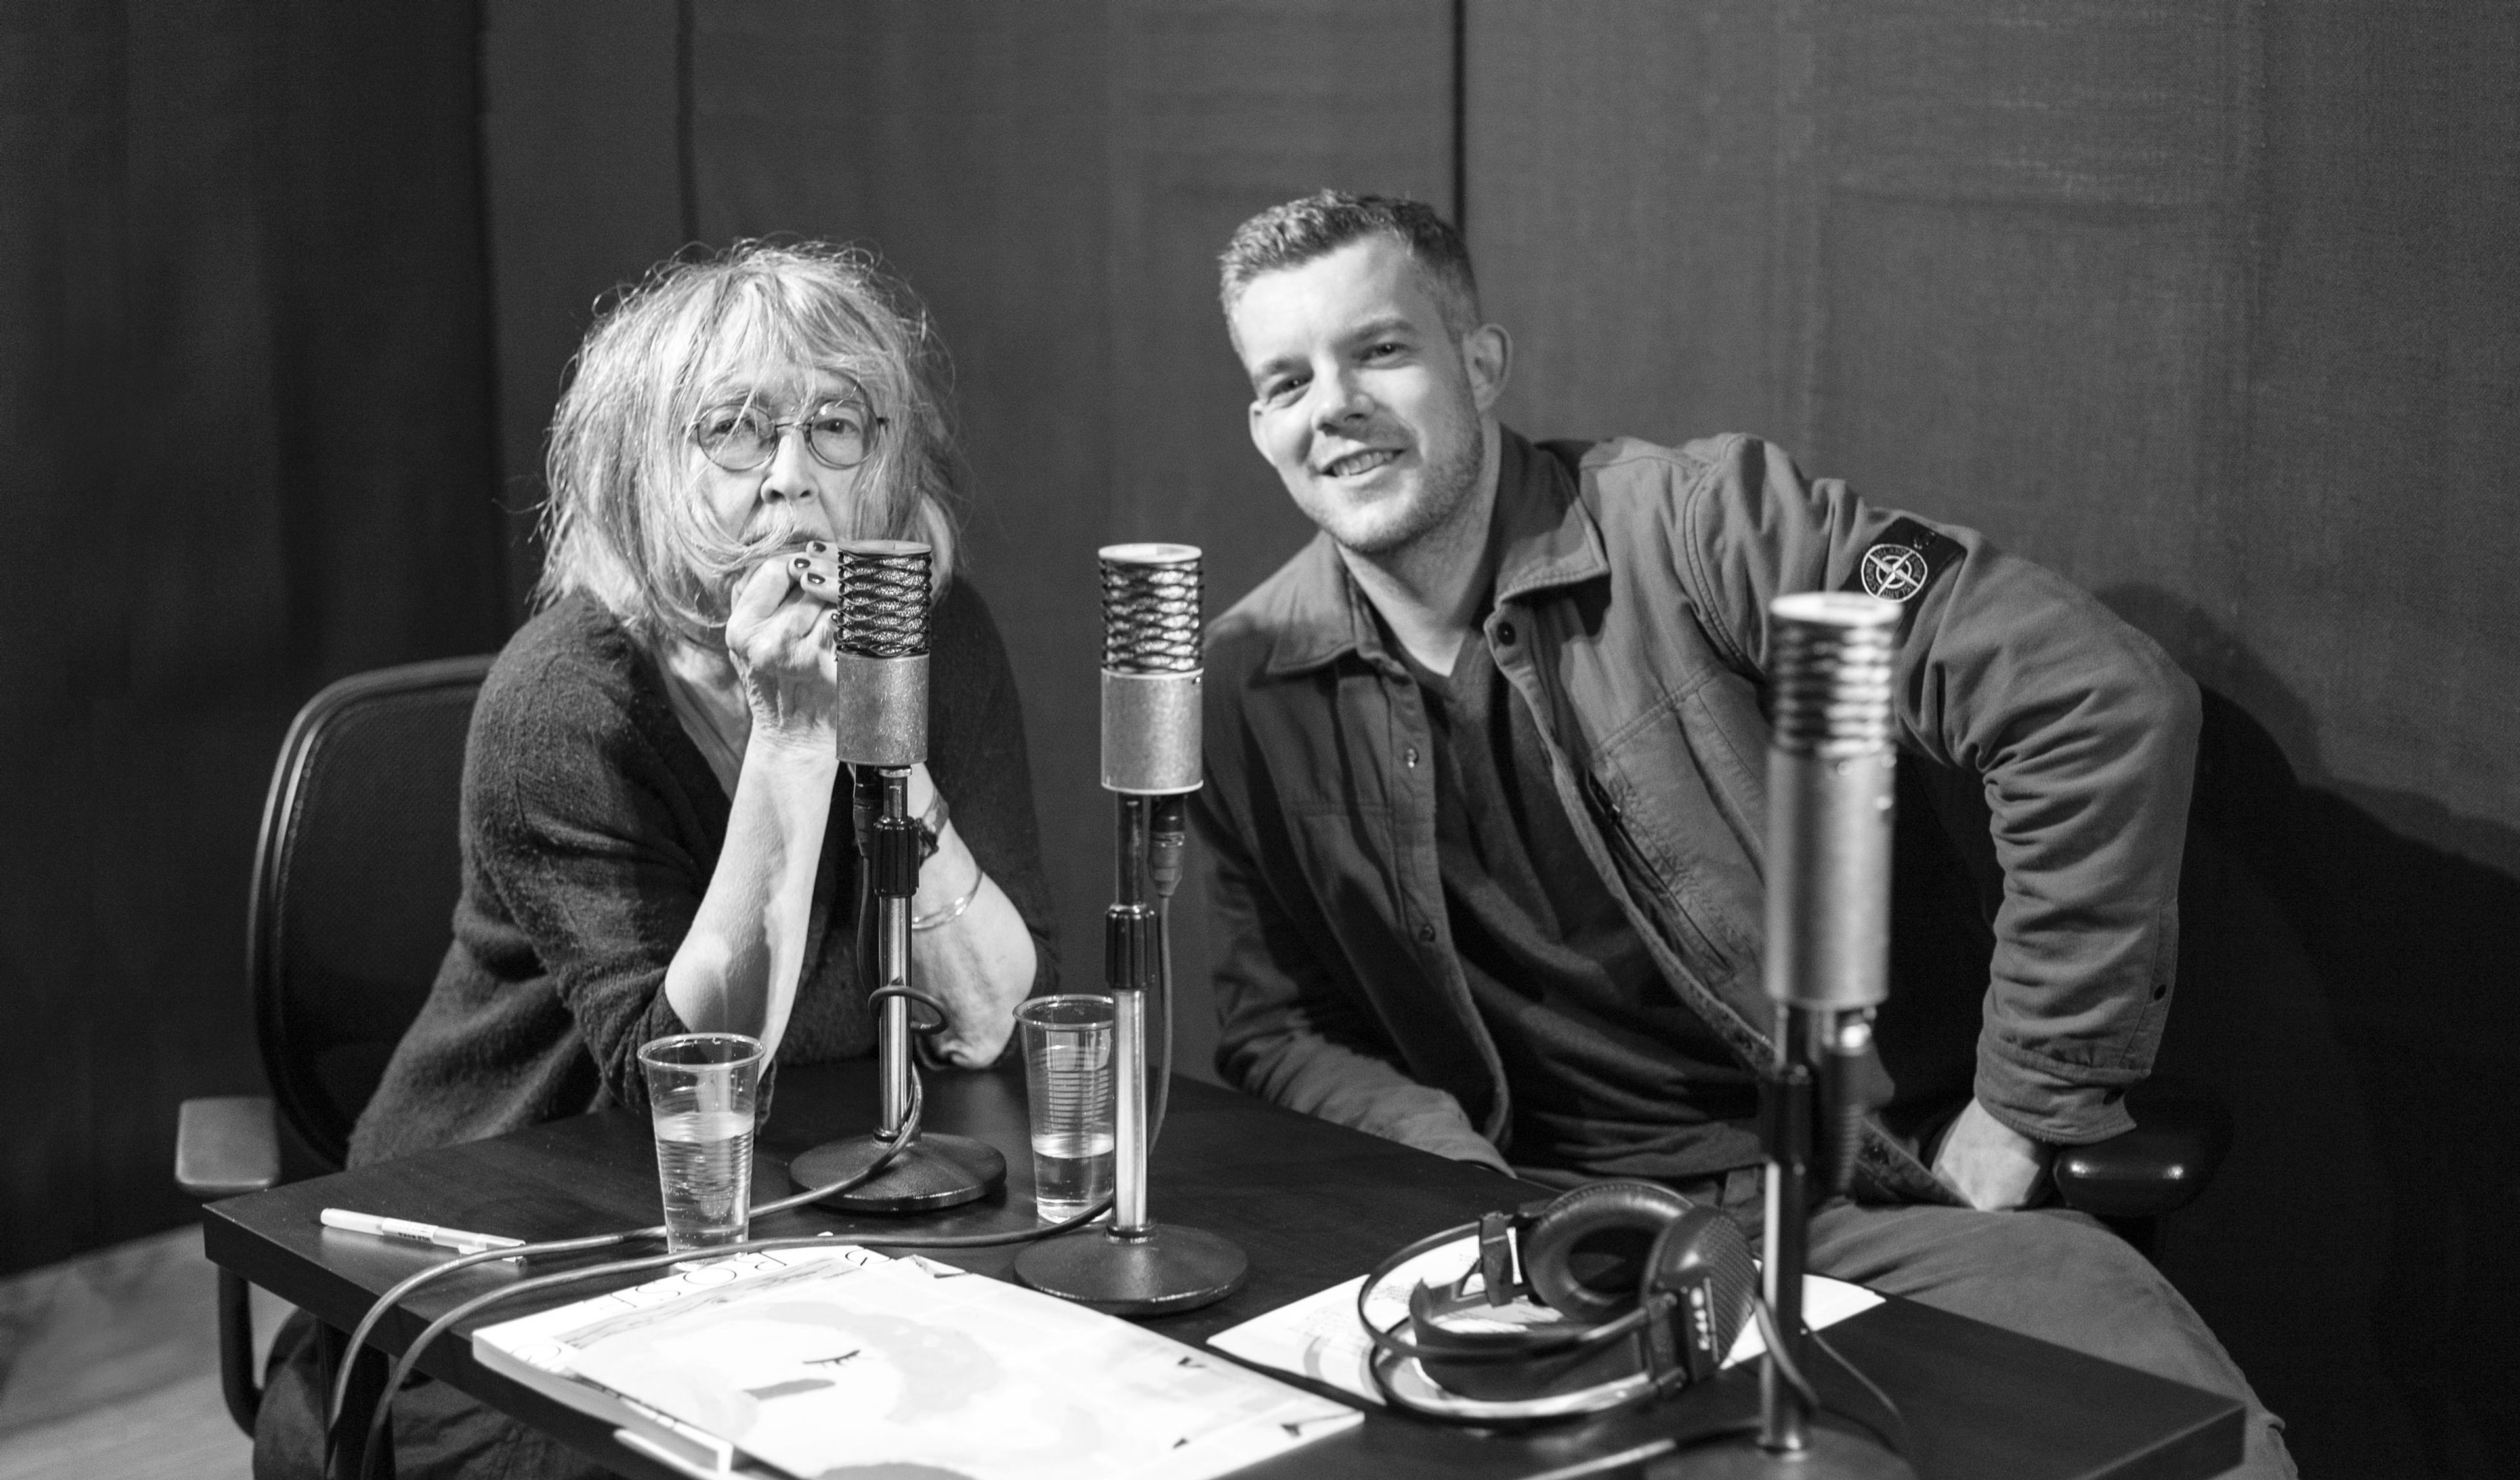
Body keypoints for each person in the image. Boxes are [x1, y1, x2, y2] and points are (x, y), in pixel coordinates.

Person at [1196, 191, 2292, 1474]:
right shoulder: (1245, 676)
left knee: (2205, 1460)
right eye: (1285, 381)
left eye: (1379, 350)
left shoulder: (1705, 523)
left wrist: (2027, 1105)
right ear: (1262, 427)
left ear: (1481, 365)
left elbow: (2095, 701)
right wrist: (1442, 1169)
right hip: (1540, 1238)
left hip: (1854, 1196)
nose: (1333, 406)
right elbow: (1279, 1025)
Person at [253, 241, 1057, 1479]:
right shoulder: (565, 703)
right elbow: (690, 1092)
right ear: (642, 470)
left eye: (835, 426)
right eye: (733, 433)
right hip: (513, 1256)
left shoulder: (935, 632)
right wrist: (794, 738)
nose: (791, 479)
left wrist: (885, 749)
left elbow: (990, 1014)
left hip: (800, 1229)